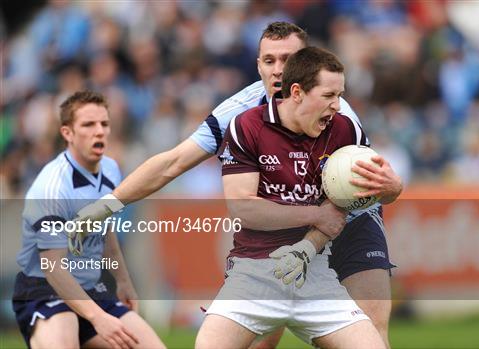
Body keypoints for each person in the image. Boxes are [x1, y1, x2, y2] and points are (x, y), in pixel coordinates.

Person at [75, 22, 401, 348]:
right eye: (268, 60)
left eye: (287, 59)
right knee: (262, 340)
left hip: (351, 221)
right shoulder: (239, 113)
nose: (277, 70)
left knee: (371, 329)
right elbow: (173, 162)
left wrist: (391, 188)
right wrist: (108, 204)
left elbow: (350, 192)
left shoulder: (336, 113)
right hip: (287, 226)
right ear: (257, 64)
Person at [196, 46, 386, 349]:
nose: (338, 105)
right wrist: (314, 215)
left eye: (340, 95)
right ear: (297, 92)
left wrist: (393, 188)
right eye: (328, 96)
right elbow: (243, 208)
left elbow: (351, 203)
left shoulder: (344, 130)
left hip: (316, 273)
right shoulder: (247, 126)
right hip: (255, 273)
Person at [12, 91, 165, 349]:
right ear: (67, 133)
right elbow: (53, 267)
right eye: (88, 124)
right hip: (44, 288)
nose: (99, 131)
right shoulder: (52, 186)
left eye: (104, 124)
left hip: (89, 287)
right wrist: (99, 318)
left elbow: (105, 230)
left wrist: (123, 281)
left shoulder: (111, 169)